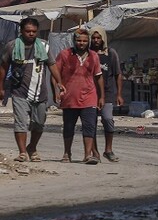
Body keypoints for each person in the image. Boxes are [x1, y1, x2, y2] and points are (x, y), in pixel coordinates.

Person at [0, 18, 64, 162]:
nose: (31, 34)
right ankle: (22, 152)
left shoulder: (44, 46)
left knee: (39, 123)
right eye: (27, 31)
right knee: (20, 122)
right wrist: (1, 87)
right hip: (19, 92)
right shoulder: (12, 46)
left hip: (40, 93)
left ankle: (32, 147)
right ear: (21, 31)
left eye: (34, 31)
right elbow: (3, 68)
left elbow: (52, 66)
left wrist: (59, 83)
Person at [55, 28, 104, 164]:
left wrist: (101, 97)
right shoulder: (65, 55)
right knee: (69, 126)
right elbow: (55, 73)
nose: (81, 43)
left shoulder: (93, 56)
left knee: (89, 126)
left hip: (89, 96)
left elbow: (99, 77)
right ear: (74, 41)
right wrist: (57, 89)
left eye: (84, 41)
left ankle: (87, 155)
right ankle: (67, 153)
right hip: (70, 97)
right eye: (79, 40)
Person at [89, 27, 123, 162]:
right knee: (90, 123)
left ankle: (108, 150)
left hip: (107, 93)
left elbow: (118, 74)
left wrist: (119, 94)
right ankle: (95, 152)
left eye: (98, 38)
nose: (96, 40)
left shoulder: (110, 53)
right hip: (90, 93)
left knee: (108, 119)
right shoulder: (88, 54)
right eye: (94, 38)